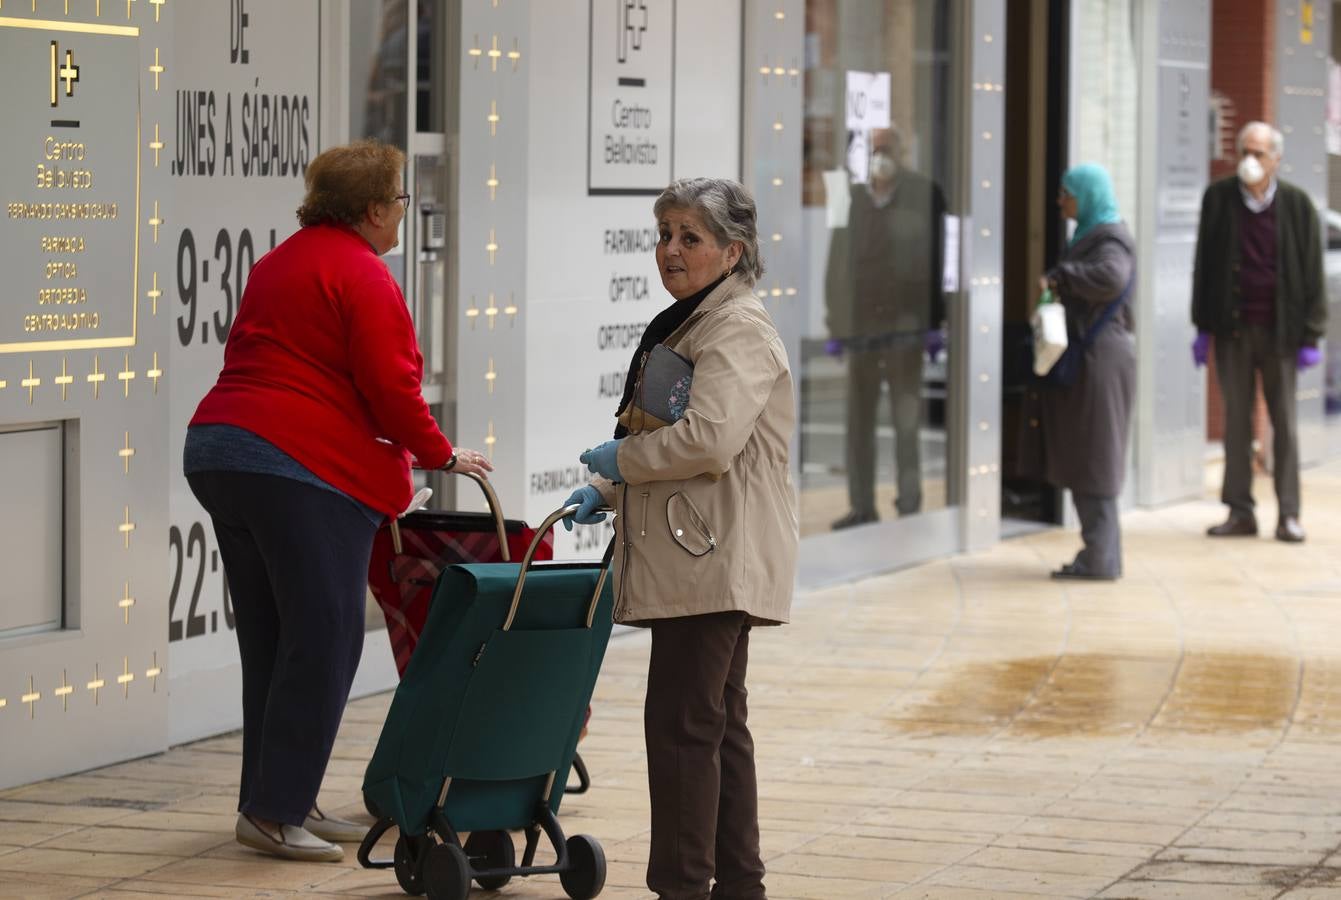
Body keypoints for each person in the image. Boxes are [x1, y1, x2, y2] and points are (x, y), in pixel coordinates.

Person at [183, 140, 492, 863]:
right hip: (298, 468)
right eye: (400, 201)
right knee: (324, 636)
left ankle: (277, 803)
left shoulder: (280, 260)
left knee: (273, 638)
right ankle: (275, 810)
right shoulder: (364, 274)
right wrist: (441, 454)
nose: (403, 215)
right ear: (375, 209)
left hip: (221, 451)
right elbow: (392, 391)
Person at [563, 177, 798, 900]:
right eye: (663, 233)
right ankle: (736, 886)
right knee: (713, 727)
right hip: (704, 554)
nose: (669, 250)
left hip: (713, 559)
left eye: (688, 237)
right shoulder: (693, 322)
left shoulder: (736, 330)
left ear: (732, 252)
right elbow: (663, 431)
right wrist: (605, 489)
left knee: (680, 731)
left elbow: (706, 441)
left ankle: (681, 887)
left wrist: (619, 463)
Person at [1191, 121, 1327, 543]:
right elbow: (1204, 265)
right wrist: (1203, 326)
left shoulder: (1298, 205)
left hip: (1280, 332)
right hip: (1233, 330)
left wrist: (1311, 334)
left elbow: (1311, 273)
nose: (1250, 160)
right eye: (1244, 151)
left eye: (1259, 153)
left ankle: (1288, 514)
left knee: (1284, 423)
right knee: (1236, 422)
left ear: (1276, 159)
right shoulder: (1218, 198)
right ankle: (1239, 510)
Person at [824, 127, 947, 528]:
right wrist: (835, 319)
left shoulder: (924, 194)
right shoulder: (853, 197)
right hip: (860, 328)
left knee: (906, 420)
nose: (881, 157)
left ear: (902, 150)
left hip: (905, 329)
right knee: (858, 421)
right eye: (874, 150)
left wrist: (935, 320)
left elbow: (940, 262)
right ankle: (862, 506)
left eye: (887, 149)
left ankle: (909, 503)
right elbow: (836, 258)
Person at [1040, 163, 1137, 581]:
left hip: (1101, 360)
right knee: (1089, 455)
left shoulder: (1109, 238)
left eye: (1067, 193)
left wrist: (1063, 276)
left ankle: (1099, 558)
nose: (1061, 200)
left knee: (1095, 456)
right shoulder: (1093, 234)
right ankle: (1101, 556)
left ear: (1087, 195)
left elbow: (1113, 277)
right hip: (1095, 357)